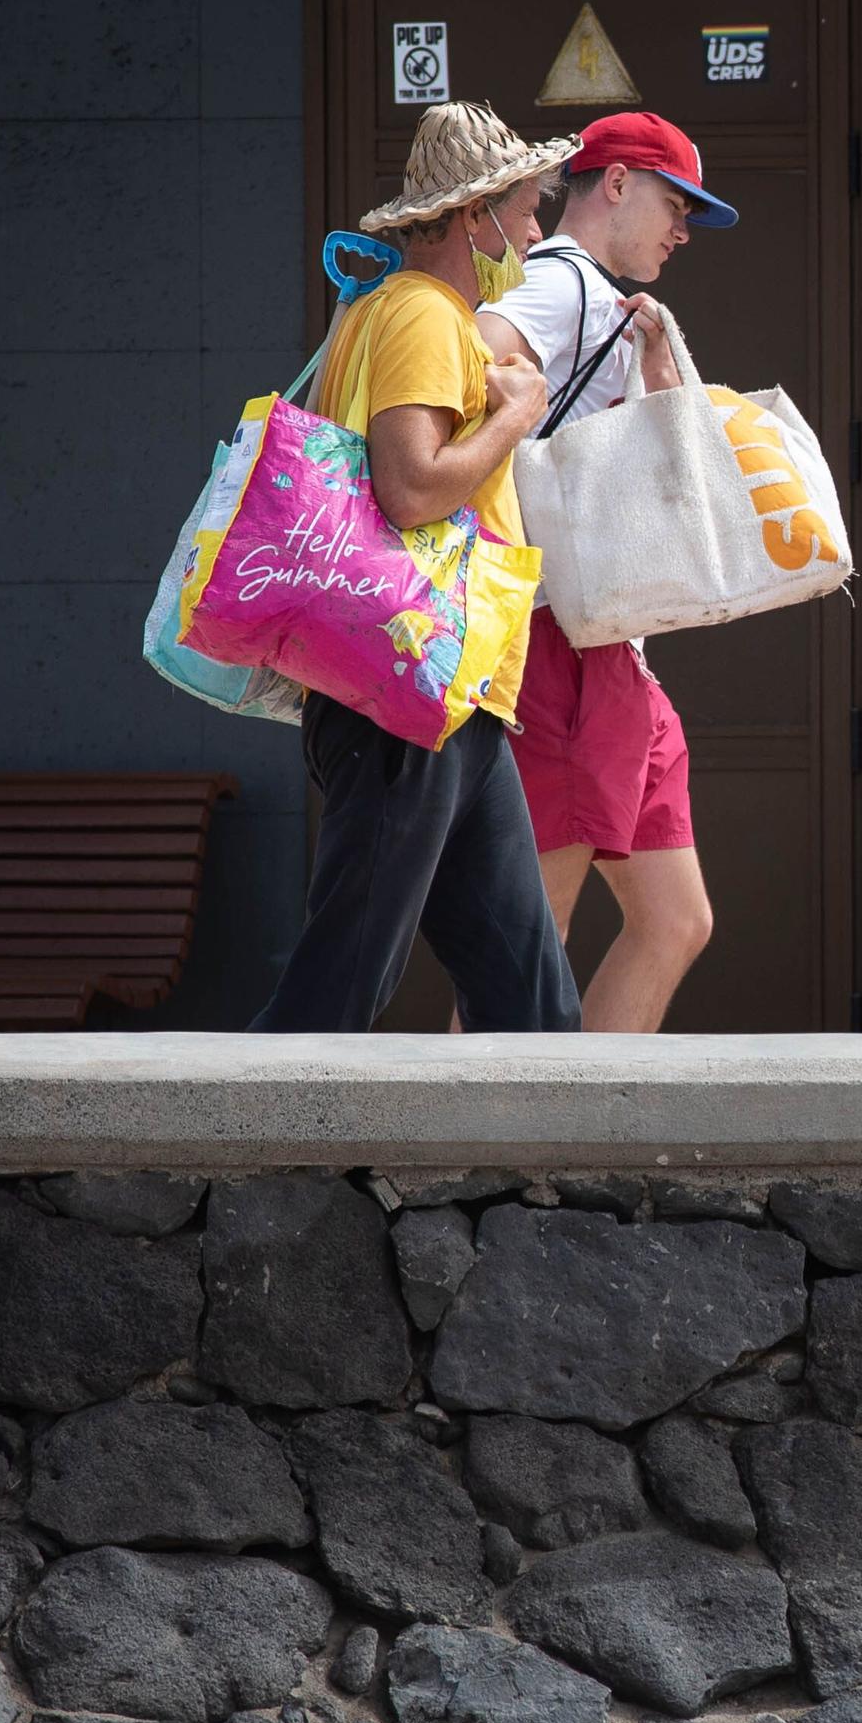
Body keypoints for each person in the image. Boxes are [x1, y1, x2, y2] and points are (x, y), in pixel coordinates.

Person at [250, 102, 582, 1034]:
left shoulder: (389, 312)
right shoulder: (429, 317)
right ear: (472, 218)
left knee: (532, 1000)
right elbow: (410, 485)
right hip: (401, 693)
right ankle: (232, 1159)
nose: (534, 231)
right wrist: (519, 412)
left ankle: (555, 1172)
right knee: (339, 986)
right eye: (523, 210)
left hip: (447, 691)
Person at [476, 112, 738, 1031]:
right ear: (618, 183)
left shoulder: (609, 304)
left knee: (675, 919)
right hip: (555, 642)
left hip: (608, 645)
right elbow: (477, 359)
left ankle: (579, 1139)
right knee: (526, 940)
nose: (682, 231)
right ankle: (483, 1160)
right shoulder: (566, 287)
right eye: (676, 205)